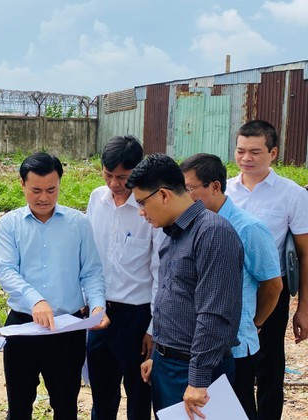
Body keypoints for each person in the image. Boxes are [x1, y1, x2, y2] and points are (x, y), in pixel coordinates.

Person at [128, 154, 243, 419]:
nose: (141, 212)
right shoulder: (172, 234)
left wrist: (199, 379)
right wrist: (158, 355)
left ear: (165, 195)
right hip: (169, 366)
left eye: (142, 203)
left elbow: (215, 313)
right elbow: (173, 300)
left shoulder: (212, 233)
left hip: (195, 372)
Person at [0, 151, 109, 419]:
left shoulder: (78, 224)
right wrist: (36, 300)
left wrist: (97, 307)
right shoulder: (10, 224)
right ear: (22, 184)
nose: (43, 197)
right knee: (19, 404)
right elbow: (6, 270)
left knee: (66, 403)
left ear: (60, 184)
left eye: (51, 189)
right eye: (35, 190)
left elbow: (91, 272)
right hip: (23, 327)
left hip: (66, 329)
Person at [180, 153, 282, 419]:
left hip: (235, 347)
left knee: (236, 411)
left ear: (214, 186)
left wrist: (255, 323)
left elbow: (273, 285)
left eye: (190, 189)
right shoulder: (189, 225)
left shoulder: (249, 228)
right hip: (198, 344)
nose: (185, 196)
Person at [226, 120, 308, 420]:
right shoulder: (224, 190)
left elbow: (304, 254)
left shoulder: (293, 194)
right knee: (238, 362)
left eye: (255, 152)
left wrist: (304, 308)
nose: (246, 158)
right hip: (231, 289)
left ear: (273, 153)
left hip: (271, 288)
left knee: (270, 363)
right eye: (241, 151)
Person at [86, 136, 164, 420]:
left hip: (137, 316)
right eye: (108, 175)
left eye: (123, 177)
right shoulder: (97, 199)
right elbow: (90, 258)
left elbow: (159, 271)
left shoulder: (149, 208)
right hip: (101, 313)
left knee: (139, 394)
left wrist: (153, 327)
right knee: (102, 393)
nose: (114, 184)